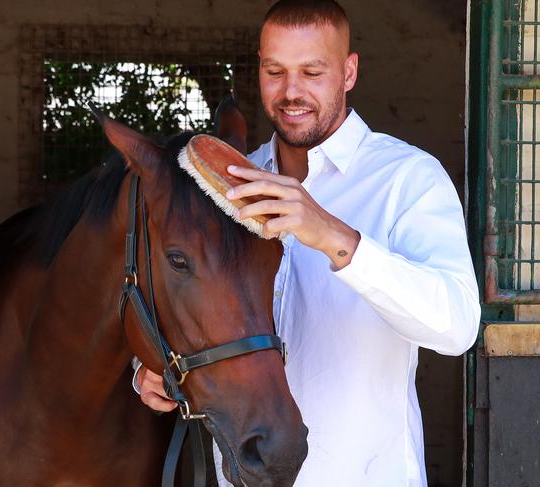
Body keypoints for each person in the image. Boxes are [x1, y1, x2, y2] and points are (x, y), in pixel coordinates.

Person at [134, 0, 481, 485]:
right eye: (275, 71)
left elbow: (457, 327)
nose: (291, 92)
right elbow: (187, 297)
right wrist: (151, 370)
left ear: (349, 72)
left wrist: (335, 237)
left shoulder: (408, 178)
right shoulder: (229, 184)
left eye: (311, 72)